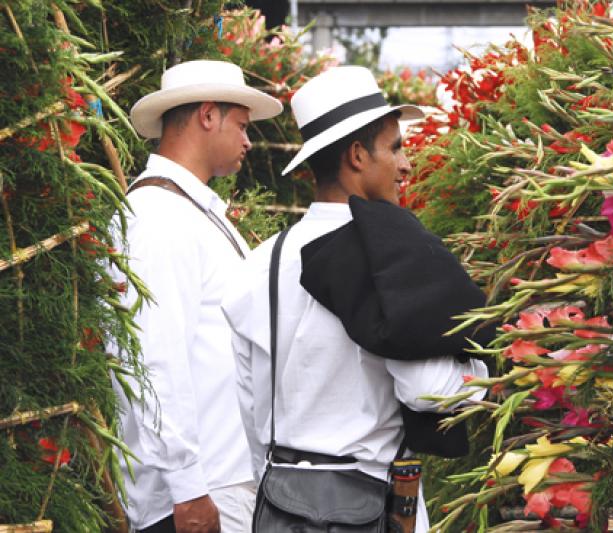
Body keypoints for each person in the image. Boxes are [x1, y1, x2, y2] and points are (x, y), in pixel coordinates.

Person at [221, 66, 490, 532]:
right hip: (371, 504)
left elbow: (248, 407)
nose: (406, 165)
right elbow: (425, 389)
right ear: (358, 155)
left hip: (281, 504)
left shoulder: (259, 265)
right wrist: (485, 373)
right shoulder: (390, 255)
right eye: (396, 147)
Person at [112, 59, 282, 533]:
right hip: (194, 494)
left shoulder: (191, 210)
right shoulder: (158, 217)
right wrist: (188, 488)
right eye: (242, 125)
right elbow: (152, 359)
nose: (249, 141)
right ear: (209, 115)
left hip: (220, 480)